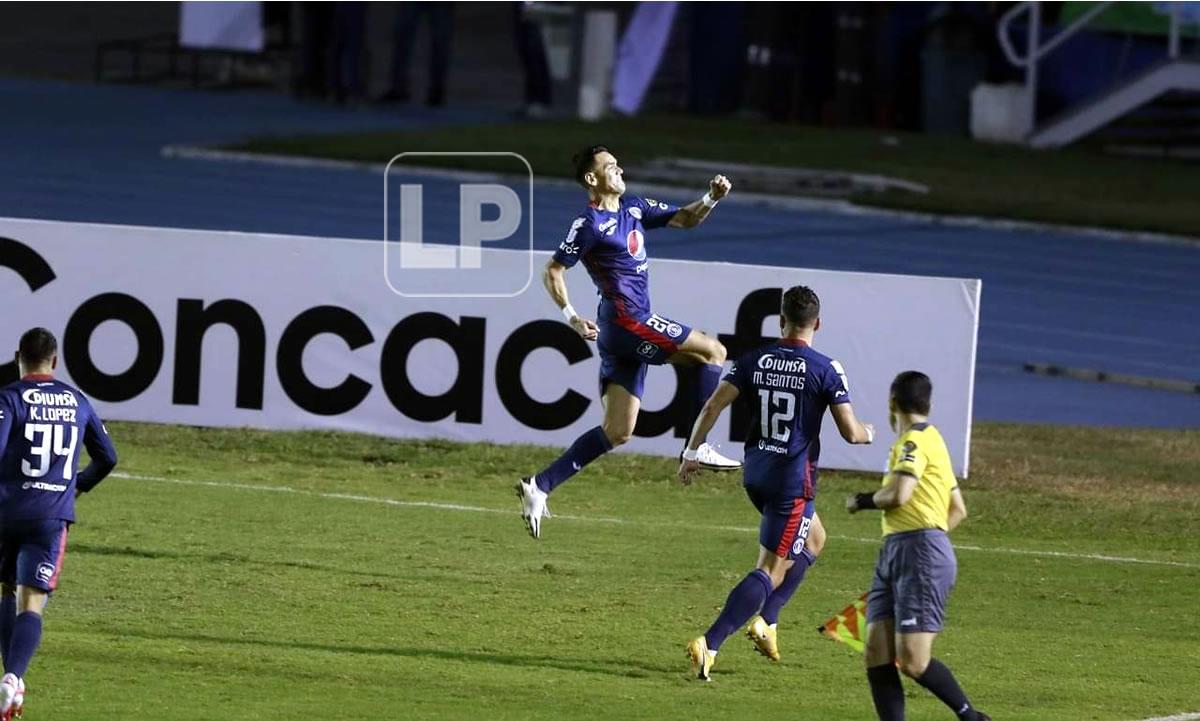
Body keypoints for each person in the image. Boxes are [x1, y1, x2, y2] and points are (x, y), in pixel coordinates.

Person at [516, 144, 742, 540]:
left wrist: (712, 198)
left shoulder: (634, 208)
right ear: (592, 179)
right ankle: (697, 445)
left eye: (618, 164)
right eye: (610, 166)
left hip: (621, 331)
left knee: (619, 430)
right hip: (628, 322)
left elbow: (686, 218)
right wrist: (570, 315)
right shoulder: (588, 224)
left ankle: (540, 486)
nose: (619, 169)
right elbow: (553, 270)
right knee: (714, 351)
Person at [679, 285, 875, 681]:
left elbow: (713, 405)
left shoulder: (753, 360)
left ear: (781, 321)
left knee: (815, 538)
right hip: (791, 482)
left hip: (757, 473)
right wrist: (869, 432)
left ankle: (767, 621)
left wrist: (691, 452)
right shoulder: (825, 368)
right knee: (770, 568)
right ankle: (711, 643)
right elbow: (851, 433)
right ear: (817, 323)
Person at [845, 371, 990, 721]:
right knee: (877, 651)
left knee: (913, 661)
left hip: (917, 552)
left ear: (891, 403)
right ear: (929, 404)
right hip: (898, 552)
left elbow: (898, 494)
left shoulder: (914, 443)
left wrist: (861, 501)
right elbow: (958, 509)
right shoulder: (934, 441)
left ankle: (972, 717)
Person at [0, 328, 118, 720]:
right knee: (31, 602)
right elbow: (108, 457)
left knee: (3, 591)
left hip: (6, 511)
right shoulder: (75, 399)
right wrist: (75, 486)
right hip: (52, 516)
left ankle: (11, 681)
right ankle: (14, 677)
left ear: (19, 357)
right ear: (55, 361)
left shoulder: (9, 398)